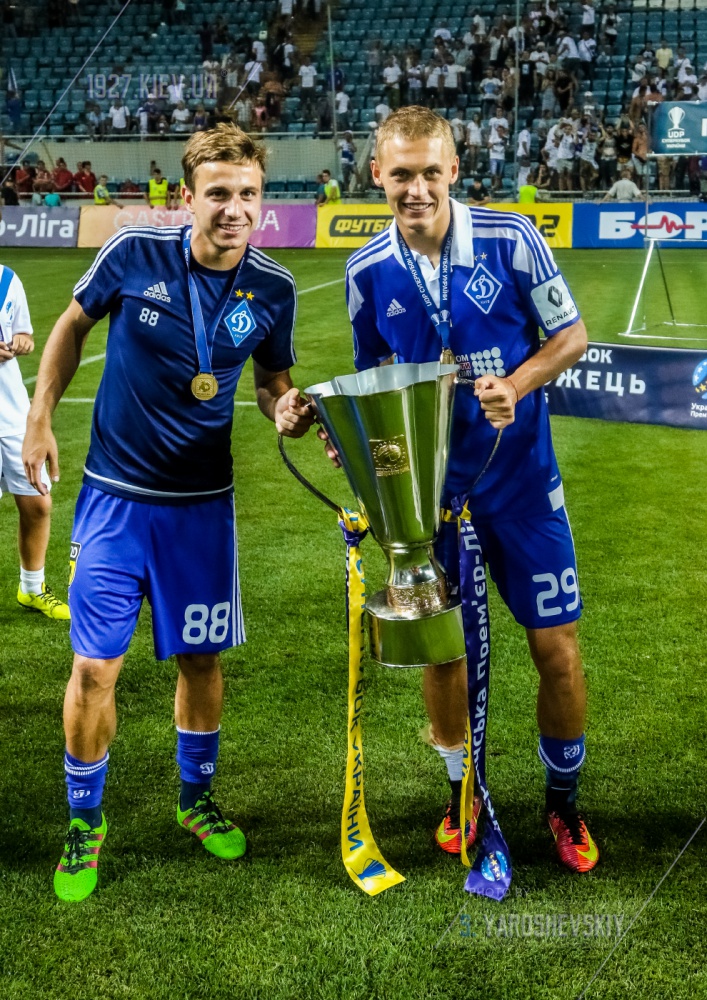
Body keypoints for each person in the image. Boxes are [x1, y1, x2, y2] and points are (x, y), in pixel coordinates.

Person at [22, 123, 316, 902]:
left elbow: (271, 383)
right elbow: (71, 324)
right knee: (94, 666)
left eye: (247, 194)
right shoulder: (133, 253)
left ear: (262, 200)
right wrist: (40, 415)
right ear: (188, 197)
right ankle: (85, 822)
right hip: (115, 502)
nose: (233, 208)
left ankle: (195, 799)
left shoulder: (273, 289)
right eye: (218, 193)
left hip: (201, 511)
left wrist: (285, 409)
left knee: (201, 661)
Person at [336, 107, 597, 873]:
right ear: (377, 175)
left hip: (522, 486)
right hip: (432, 505)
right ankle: (462, 796)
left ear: (453, 170)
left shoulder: (511, 239)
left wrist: (516, 384)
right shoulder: (365, 271)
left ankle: (562, 804)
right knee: (444, 657)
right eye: (400, 174)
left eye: (430, 172)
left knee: (555, 649)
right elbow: (374, 383)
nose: (415, 189)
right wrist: (353, 443)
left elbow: (570, 336)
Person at [0, 264, 70, 621]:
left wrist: (23, 341)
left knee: (38, 504)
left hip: (14, 413)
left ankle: (31, 589)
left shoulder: (7, 279)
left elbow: (23, 332)